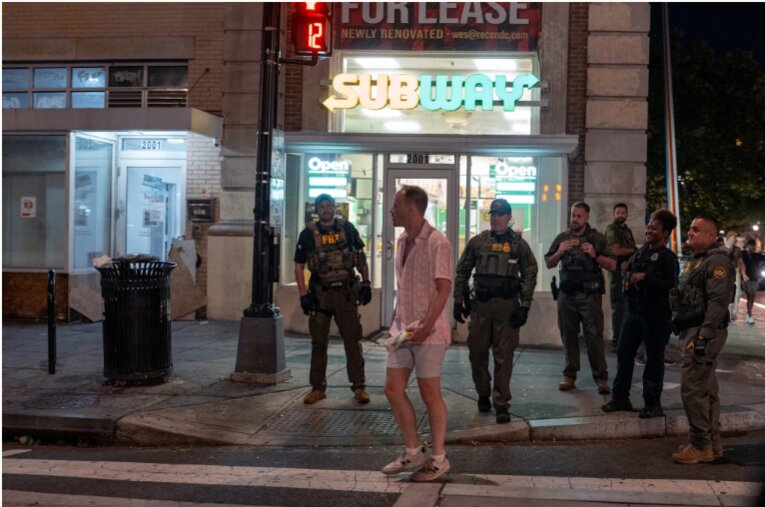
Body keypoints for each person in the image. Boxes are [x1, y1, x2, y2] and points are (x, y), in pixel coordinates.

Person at [382, 186, 454, 482]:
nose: (391, 210)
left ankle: (438, 458)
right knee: (392, 388)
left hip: (430, 332)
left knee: (429, 393)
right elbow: (404, 286)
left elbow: (443, 288)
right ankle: (414, 450)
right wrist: (395, 319)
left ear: (411, 209)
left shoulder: (437, 242)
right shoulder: (401, 240)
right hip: (404, 330)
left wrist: (426, 326)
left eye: (395, 205)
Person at [453, 198, 538, 424]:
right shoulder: (479, 242)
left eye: (500, 214)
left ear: (508, 217)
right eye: (492, 213)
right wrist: (457, 300)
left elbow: (530, 271)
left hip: (506, 306)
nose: (495, 218)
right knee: (476, 351)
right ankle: (483, 392)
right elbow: (462, 270)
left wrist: (525, 305)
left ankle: (501, 402)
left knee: (504, 356)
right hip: (481, 306)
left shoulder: (518, 244)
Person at [294, 193, 372, 405]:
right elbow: (299, 266)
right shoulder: (307, 234)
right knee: (318, 342)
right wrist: (303, 295)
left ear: (334, 208)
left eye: (329, 205)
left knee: (352, 341)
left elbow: (361, 258)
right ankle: (317, 388)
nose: (326, 209)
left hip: (345, 295)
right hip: (320, 296)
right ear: (317, 210)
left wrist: (366, 283)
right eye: (322, 206)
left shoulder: (348, 229)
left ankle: (359, 386)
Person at [670, 214, 735, 464]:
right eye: (690, 229)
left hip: (703, 331)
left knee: (693, 388)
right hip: (692, 329)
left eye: (696, 230)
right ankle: (712, 443)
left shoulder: (717, 262)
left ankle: (700, 445)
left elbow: (718, 303)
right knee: (706, 388)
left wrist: (703, 336)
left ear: (710, 235)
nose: (690, 233)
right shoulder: (698, 260)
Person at [602, 209, 678, 418]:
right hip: (634, 312)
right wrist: (626, 270)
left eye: (654, 228)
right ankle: (620, 399)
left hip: (656, 316)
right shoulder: (641, 252)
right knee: (624, 353)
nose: (649, 230)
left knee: (654, 359)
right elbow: (628, 270)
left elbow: (670, 286)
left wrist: (646, 277)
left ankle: (652, 404)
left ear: (665, 233)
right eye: (648, 227)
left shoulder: (668, 258)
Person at [545, 202, 616, 394]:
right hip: (566, 295)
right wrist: (559, 251)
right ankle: (570, 375)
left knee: (593, 337)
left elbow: (612, 265)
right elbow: (549, 263)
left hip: (589, 296)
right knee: (568, 335)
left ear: (587, 217)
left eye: (579, 216)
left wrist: (595, 255)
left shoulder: (596, 239)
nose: (574, 219)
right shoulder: (562, 238)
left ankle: (601, 378)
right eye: (573, 215)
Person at [605, 203, 637, 348]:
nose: (620, 215)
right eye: (618, 212)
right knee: (618, 307)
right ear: (614, 214)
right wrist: (633, 250)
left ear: (627, 214)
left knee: (626, 306)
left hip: (627, 271)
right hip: (617, 272)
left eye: (623, 212)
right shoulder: (612, 229)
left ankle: (625, 339)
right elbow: (615, 251)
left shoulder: (627, 230)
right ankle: (617, 341)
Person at [717, 236, 746, 321]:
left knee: (738, 293)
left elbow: (741, 262)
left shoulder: (737, 249)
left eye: (735, 239)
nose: (734, 241)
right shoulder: (721, 249)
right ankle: (727, 312)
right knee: (725, 293)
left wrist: (744, 274)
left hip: (735, 273)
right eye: (733, 239)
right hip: (725, 274)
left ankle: (734, 311)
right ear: (727, 239)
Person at [741, 239, 765, 324]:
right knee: (749, 296)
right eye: (750, 245)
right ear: (747, 245)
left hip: (755, 278)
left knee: (752, 297)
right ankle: (750, 315)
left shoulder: (757, 255)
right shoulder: (743, 254)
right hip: (746, 278)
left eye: (752, 245)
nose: (751, 247)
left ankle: (748, 314)